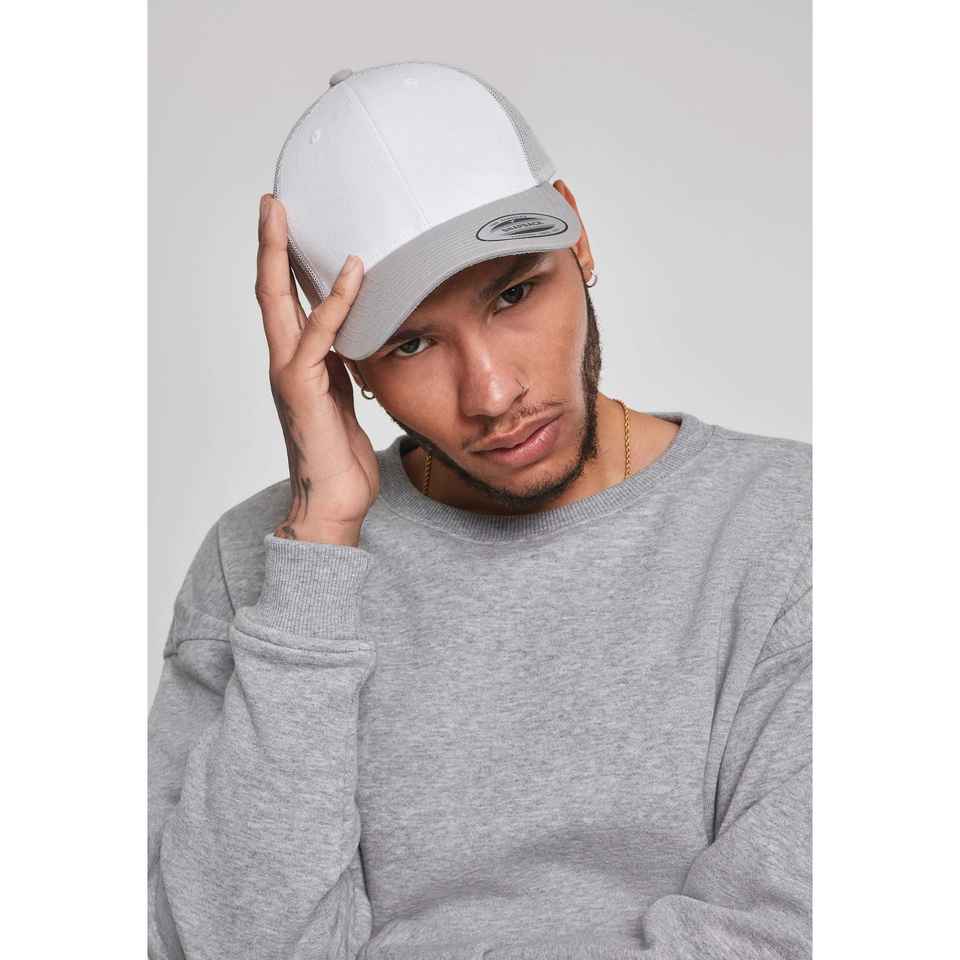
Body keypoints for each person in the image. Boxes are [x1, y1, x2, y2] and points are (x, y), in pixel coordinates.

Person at [148, 62, 811, 959]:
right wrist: (319, 548)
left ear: (578, 239)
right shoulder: (261, 567)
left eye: (513, 293)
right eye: (412, 343)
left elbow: (787, 931)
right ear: (342, 362)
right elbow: (225, 944)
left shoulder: (794, 530)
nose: (493, 394)